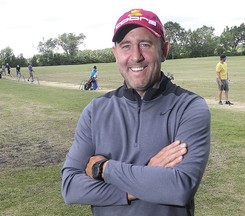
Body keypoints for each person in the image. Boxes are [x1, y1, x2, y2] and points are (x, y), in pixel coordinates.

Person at [61, 8, 211, 216]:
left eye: (145, 44)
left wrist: (103, 169)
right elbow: (70, 188)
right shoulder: (95, 111)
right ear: (116, 54)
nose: (136, 56)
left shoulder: (189, 107)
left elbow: (179, 187)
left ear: (164, 50)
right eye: (126, 46)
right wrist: (148, 174)